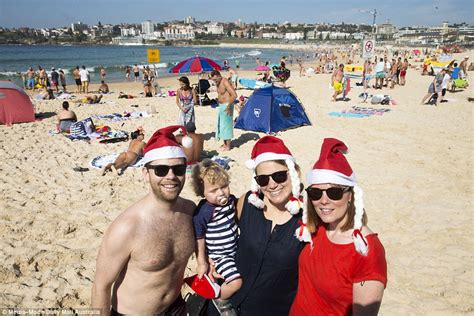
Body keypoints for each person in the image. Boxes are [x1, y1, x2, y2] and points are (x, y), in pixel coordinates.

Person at [92, 125, 196, 315]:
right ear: (145, 173)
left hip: (176, 307)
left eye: (178, 169)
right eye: (161, 170)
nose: (171, 176)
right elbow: (101, 286)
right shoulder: (127, 227)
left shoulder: (190, 212)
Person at [206, 136, 306, 315]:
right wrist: (210, 256)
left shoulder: (308, 217)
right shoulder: (247, 203)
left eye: (279, 175)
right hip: (223, 306)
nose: (272, 184)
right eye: (263, 180)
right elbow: (216, 225)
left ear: (293, 173)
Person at [290, 138, 387, 315]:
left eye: (334, 192)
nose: (324, 200)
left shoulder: (366, 250)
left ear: (350, 195)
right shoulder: (317, 228)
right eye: (316, 193)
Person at [191, 159, 241, 315]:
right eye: (213, 190)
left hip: (235, 248)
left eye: (224, 186)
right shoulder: (205, 211)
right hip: (220, 256)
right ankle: (219, 299)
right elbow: (199, 236)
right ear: (202, 192)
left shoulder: (231, 201)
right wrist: (202, 261)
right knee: (236, 283)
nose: (221, 193)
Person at [210, 70, 237, 151]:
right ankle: (225, 144)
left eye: (216, 79)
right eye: (213, 80)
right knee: (222, 125)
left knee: (227, 126)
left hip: (227, 105)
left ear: (219, 76)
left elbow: (234, 95)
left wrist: (228, 106)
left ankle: (228, 146)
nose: (215, 81)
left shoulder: (225, 82)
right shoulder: (218, 83)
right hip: (221, 106)